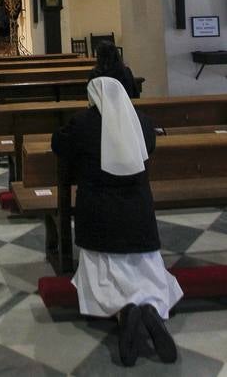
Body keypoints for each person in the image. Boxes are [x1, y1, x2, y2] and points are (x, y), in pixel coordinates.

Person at [52, 77, 182, 367]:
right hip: (139, 218)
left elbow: (58, 143)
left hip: (99, 219)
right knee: (147, 271)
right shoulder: (142, 123)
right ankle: (149, 305)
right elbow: (150, 148)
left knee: (102, 277)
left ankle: (125, 311)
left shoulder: (83, 123)